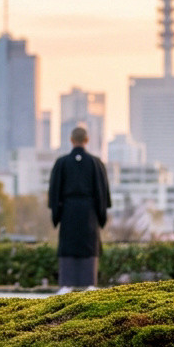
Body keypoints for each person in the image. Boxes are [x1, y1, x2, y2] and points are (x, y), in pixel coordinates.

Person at [47, 126, 111, 294]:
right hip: (89, 211)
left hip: (68, 210)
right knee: (89, 245)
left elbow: (54, 191)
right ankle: (90, 284)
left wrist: (57, 213)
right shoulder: (95, 163)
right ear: (87, 140)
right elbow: (102, 191)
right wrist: (100, 214)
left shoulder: (62, 163)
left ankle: (66, 285)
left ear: (71, 140)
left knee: (68, 244)